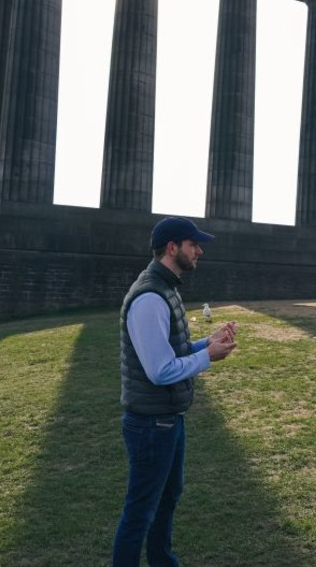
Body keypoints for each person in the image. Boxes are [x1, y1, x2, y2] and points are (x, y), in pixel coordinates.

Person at [112, 216, 238, 567]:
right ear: (172, 248)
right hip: (152, 425)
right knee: (140, 512)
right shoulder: (150, 297)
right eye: (193, 244)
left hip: (167, 421)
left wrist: (206, 342)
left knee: (166, 500)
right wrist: (207, 357)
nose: (199, 251)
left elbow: (171, 350)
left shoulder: (165, 288)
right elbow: (160, 370)